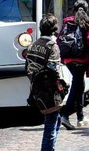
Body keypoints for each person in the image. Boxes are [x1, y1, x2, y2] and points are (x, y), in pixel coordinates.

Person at [23, 14, 62, 151]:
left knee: (56, 121)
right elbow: (54, 69)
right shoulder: (52, 46)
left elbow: (27, 67)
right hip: (49, 90)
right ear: (54, 29)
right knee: (51, 124)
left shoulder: (33, 45)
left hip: (36, 88)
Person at [58, 0, 89, 129]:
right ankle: (65, 114)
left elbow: (59, 39)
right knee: (76, 86)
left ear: (73, 10)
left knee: (79, 85)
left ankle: (80, 117)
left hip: (69, 59)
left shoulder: (67, 21)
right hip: (82, 60)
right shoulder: (87, 23)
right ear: (86, 10)